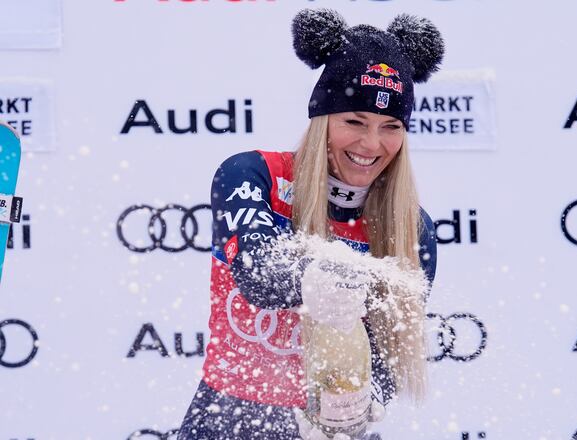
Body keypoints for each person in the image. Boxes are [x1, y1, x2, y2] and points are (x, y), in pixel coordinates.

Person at [177, 8, 444, 440]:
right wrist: (311, 279)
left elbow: (388, 354)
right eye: (353, 121)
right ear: (322, 122)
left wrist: (362, 403)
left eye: (390, 126)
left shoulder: (411, 228)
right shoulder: (254, 175)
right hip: (225, 422)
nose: (371, 143)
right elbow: (255, 269)